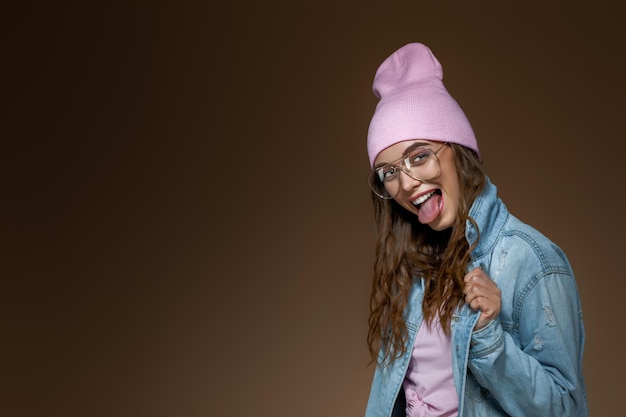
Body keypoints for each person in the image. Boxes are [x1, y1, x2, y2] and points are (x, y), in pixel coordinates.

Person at [363, 42, 589, 417]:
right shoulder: (410, 267)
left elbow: (565, 410)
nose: (405, 184)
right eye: (389, 173)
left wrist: (488, 337)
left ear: (458, 150)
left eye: (419, 156)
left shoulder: (530, 259)